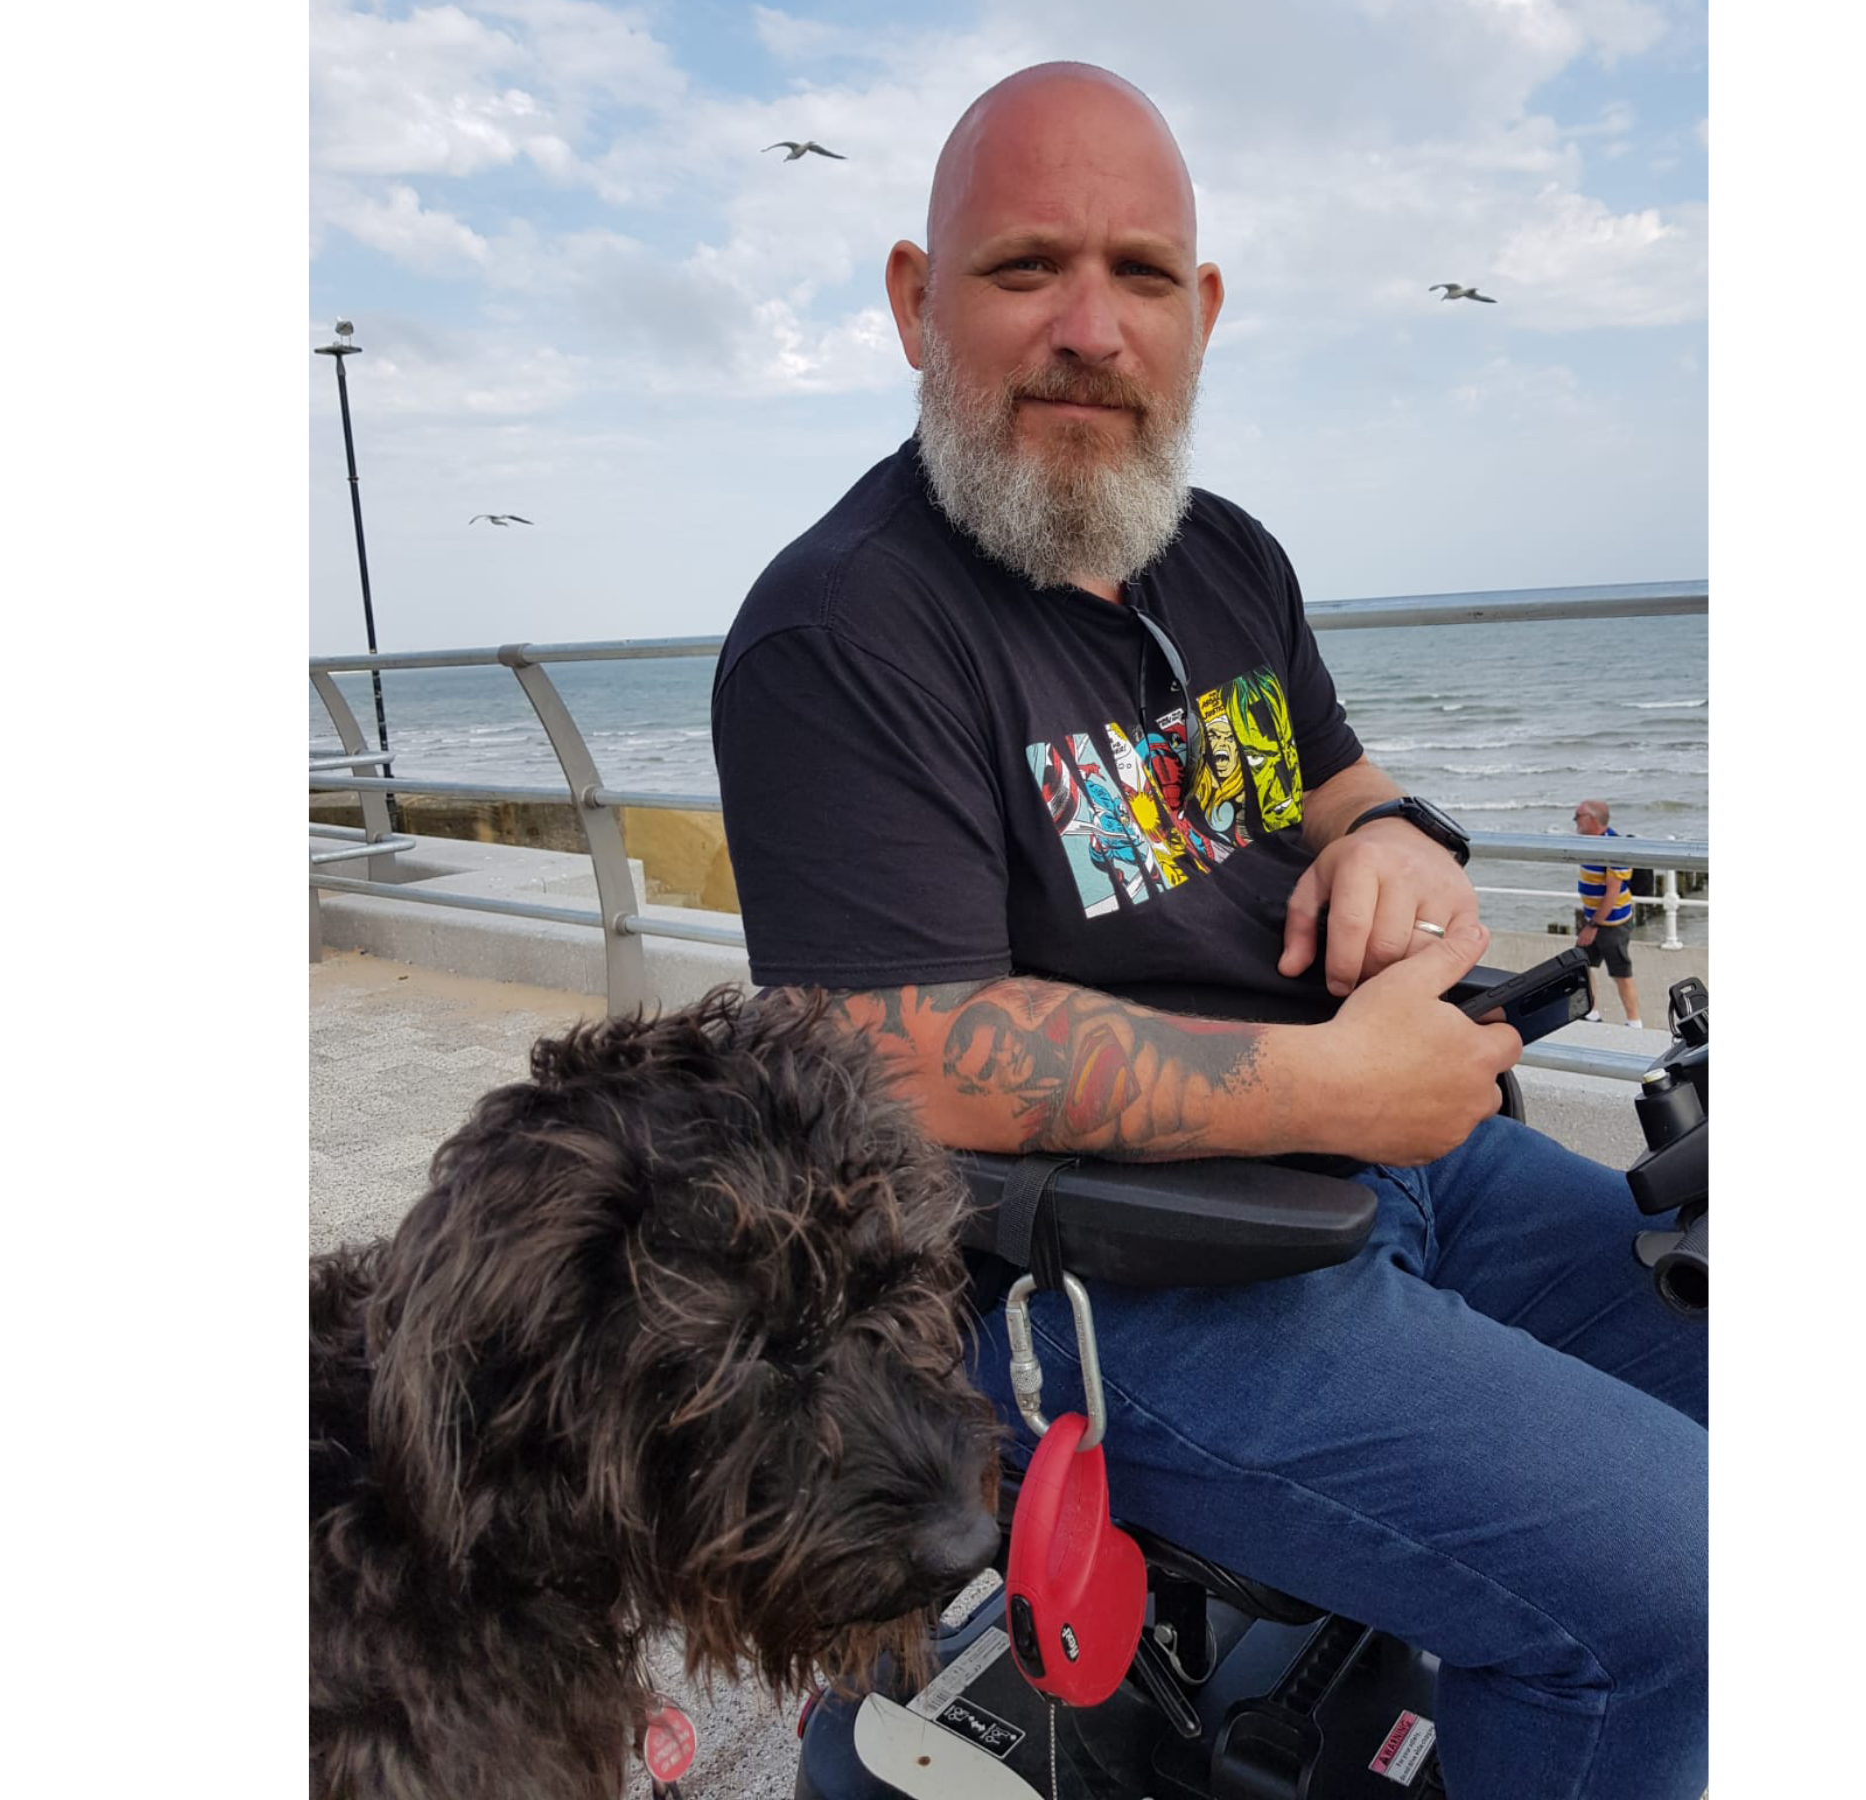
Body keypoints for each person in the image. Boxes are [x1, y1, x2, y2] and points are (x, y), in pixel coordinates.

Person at [709, 63, 1704, 1800]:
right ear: (912, 301)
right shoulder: (842, 628)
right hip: (1097, 1291)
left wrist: (1394, 840)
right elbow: (904, 1049)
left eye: (1142, 275)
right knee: (1675, 1585)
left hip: (1386, 1171)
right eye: (1027, 268)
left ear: (1204, 310)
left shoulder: (1217, 555)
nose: (1091, 328)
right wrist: (1338, 1086)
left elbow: (1338, 780)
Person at [1572, 798, 1645, 1027]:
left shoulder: (1613, 847)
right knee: (1581, 965)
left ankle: (1634, 1023)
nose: (1575, 821)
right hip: (1593, 919)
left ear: (1592, 819)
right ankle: (1591, 1012)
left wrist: (1592, 926)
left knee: (1620, 973)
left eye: (1578, 816)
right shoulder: (1591, 844)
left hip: (1611, 923)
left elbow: (1612, 894)